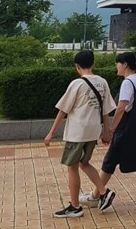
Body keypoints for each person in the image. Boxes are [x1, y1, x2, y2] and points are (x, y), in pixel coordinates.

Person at [44, 50, 117, 218]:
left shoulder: (76, 84)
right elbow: (106, 111)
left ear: (77, 66)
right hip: (93, 131)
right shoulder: (102, 82)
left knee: (72, 167)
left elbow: (63, 111)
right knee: (85, 163)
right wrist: (106, 131)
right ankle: (103, 192)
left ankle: (75, 206)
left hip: (77, 132)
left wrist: (50, 133)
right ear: (93, 63)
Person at [98, 52, 136, 209]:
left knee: (110, 161)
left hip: (127, 130)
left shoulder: (127, 83)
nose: (116, 67)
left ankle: (95, 195)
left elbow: (121, 107)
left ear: (125, 64)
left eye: (118, 63)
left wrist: (111, 128)